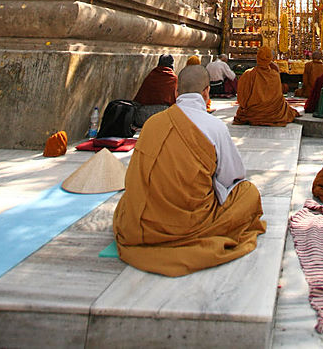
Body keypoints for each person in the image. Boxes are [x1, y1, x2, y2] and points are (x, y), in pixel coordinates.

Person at [114, 65, 266, 276]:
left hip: (146, 221)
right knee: (248, 192)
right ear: (206, 92)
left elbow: (135, 176)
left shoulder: (152, 124)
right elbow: (232, 177)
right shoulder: (215, 127)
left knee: (125, 202)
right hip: (191, 222)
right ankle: (190, 232)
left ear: (176, 91)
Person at [233, 46, 301, 126]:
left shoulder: (248, 74)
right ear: (270, 59)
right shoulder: (274, 75)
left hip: (253, 112)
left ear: (257, 58)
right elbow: (279, 98)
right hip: (273, 113)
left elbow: (242, 98)